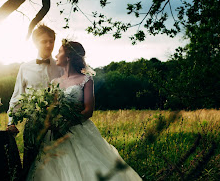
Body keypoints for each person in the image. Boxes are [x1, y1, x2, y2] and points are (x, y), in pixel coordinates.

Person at [26, 39, 142, 181]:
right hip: (55, 133)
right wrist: (50, 120)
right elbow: (52, 108)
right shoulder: (54, 83)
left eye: (59, 52)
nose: (56, 55)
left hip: (78, 130)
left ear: (68, 57)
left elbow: (88, 111)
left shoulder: (86, 80)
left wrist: (67, 124)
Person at [7, 24, 63, 180]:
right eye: (44, 41)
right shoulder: (25, 68)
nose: (49, 45)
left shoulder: (61, 68)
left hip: (57, 127)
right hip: (33, 125)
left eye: (51, 41)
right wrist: (11, 121)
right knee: (31, 165)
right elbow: (17, 96)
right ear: (35, 43)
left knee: (56, 166)